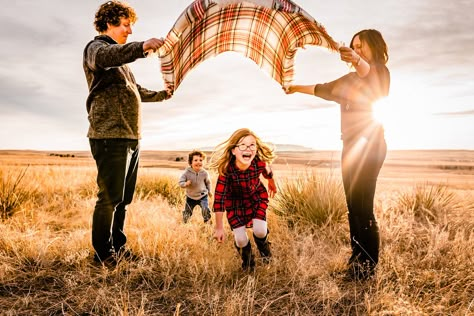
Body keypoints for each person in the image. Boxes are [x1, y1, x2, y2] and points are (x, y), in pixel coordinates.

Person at [284, 29, 390, 279]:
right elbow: (323, 89)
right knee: (352, 206)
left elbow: (370, 75)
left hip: (371, 145)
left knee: (364, 207)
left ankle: (367, 266)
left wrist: (355, 58)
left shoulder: (381, 73)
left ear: (374, 47)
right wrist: (294, 87)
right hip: (350, 146)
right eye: (354, 46)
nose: (357, 50)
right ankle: (357, 260)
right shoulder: (349, 80)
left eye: (361, 46)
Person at [83, 0, 172, 264]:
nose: (130, 30)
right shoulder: (95, 49)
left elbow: (136, 91)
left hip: (131, 137)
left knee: (123, 199)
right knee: (109, 198)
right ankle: (102, 255)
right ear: (109, 23)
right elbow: (107, 57)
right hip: (110, 136)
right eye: (125, 24)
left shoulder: (123, 65)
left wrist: (163, 95)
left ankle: (118, 248)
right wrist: (143, 47)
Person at [210, 128, 277, 271]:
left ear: (256, 148)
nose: (248, 148)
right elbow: (219, 198)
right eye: (243, 145)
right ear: (234, 150)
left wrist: (271, 183)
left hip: (256, 198)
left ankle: (265, 253)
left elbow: (268, 171)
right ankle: (248, 261)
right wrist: (219, 227)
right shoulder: (226, 171)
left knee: (259, 230)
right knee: (240, 240)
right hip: (235, 204)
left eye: (252, 145)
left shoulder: (258, 162)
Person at [178, 150, 213, 224]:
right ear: (191, 163)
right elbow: (180, 182)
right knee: (188, 212)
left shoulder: (204, 173)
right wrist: (185, 184)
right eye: (196, 160)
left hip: (202, 196)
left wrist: (209, 191)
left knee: (205, 209)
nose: (198, 162)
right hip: (190, 197)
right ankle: (185, 223)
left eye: (201, 160)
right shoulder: (187, 172)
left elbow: (208, 183)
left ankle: (207, 222)